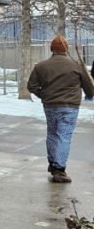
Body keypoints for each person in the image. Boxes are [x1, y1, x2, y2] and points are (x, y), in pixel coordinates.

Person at [27, 36, 94, 183]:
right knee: (64, 136)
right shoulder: (77, 66)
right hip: (70, 107)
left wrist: (44, 95)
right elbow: (90, 89)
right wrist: (89, 94)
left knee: (52, 133)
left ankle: (53, 163)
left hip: (50, 106)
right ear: (66, 49)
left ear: (52, 48)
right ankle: (60, 170)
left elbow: (31, 87)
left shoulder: (41, 66)